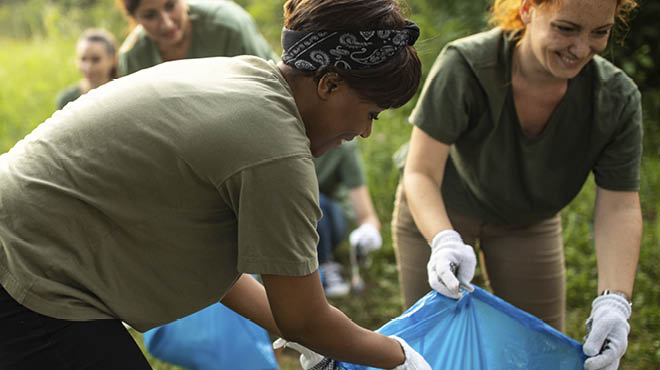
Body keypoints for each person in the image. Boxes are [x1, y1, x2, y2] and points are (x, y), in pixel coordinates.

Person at [0, 0, 427, 369]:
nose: (366, 133)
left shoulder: (246, 78)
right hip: (29, 269)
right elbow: (304, 316)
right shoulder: (275, 147)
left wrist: (311, 334)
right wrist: (397, 356)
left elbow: (226, 273)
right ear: (330, 84)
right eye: (371, 113)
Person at [392, 0, 641, 369]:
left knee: (536, 353)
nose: (581, 47)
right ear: (526, 9)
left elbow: (619, 206)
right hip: (440, 212)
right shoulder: (466, 66)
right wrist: (443, 239)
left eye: (599, 32)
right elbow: (420, 172)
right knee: (430, 350)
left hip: (528, 224)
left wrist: (615, 301)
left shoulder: (616, 100)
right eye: (567, 28)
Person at [115, 0, 277, 76]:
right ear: (135, 19)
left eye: (170, 6)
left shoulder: (227, 25)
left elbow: (268, 80)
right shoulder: (133, 57)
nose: (167, 24)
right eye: (150, 16)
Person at [314, 141, 382, 297]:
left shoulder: (343, 144)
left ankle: (324, 263)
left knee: (309, 197)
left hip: (328, 219)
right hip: (285, 212)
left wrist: (369, 230)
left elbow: (366, 215)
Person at [55, 28, 118, 110]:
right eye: (83, 59)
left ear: (112, 59)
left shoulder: (124, 93)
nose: (88, 67)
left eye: (96, 59)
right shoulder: (67, 100)